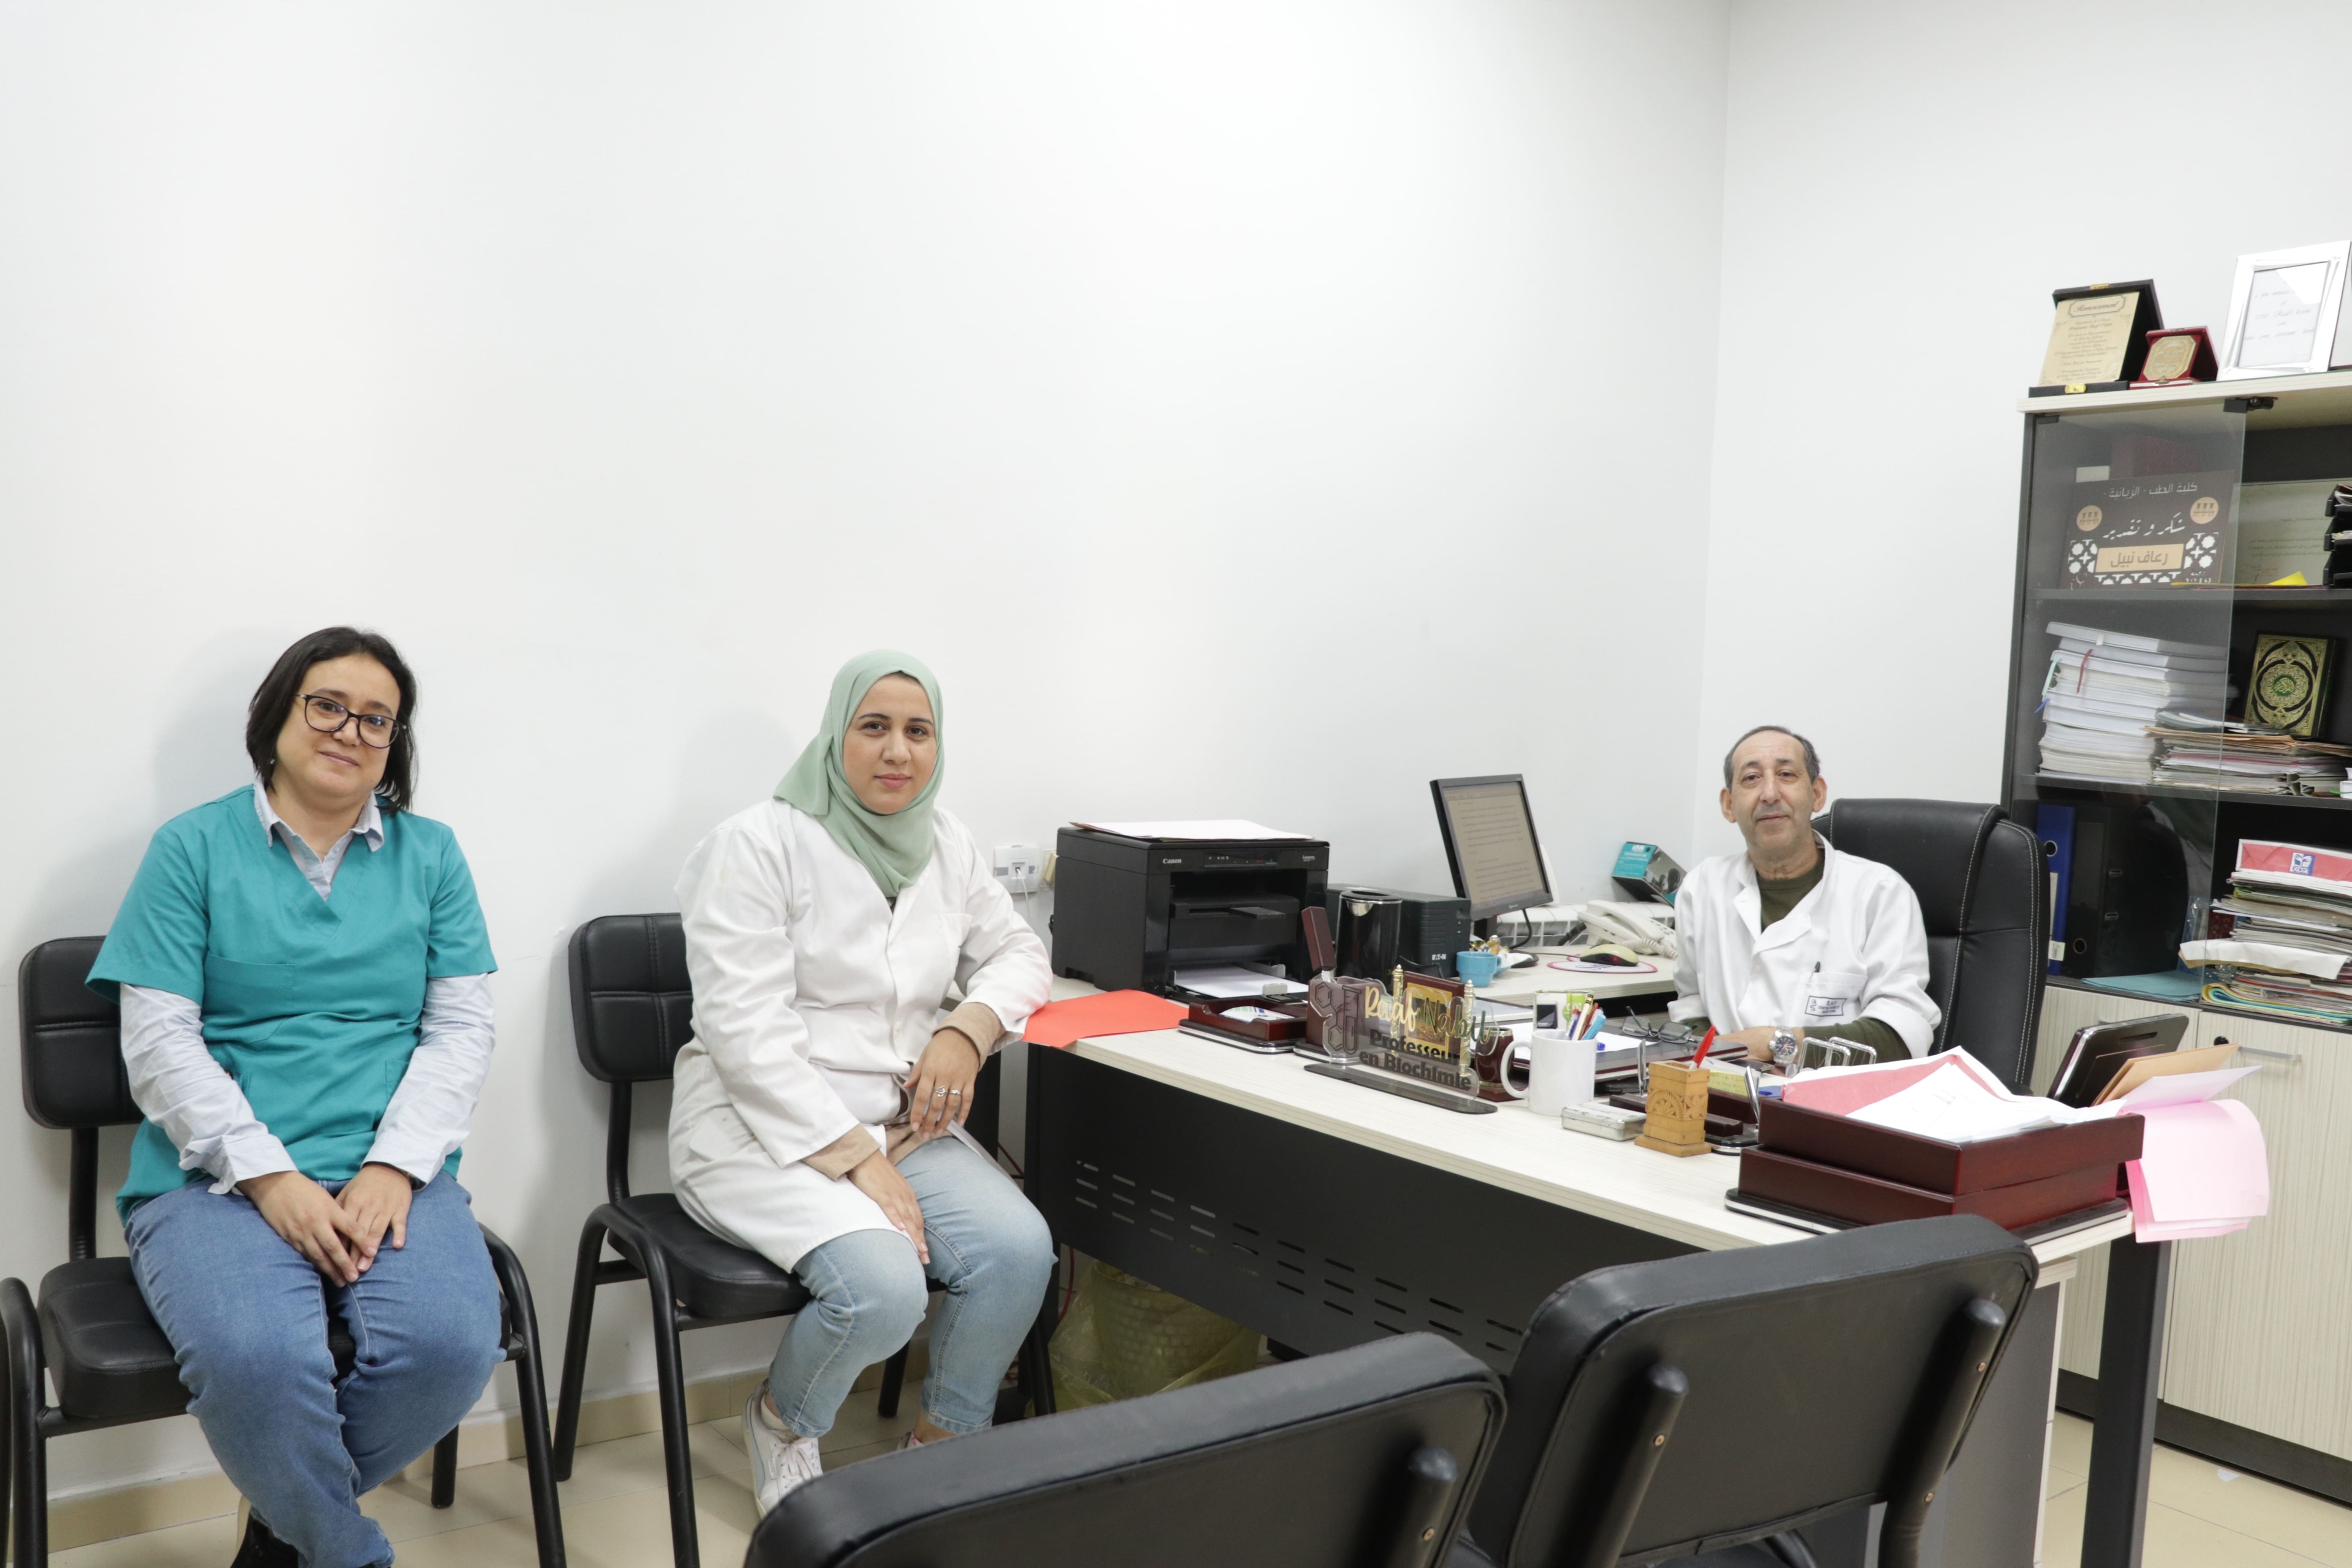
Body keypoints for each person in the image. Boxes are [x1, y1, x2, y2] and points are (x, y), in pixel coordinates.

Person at [88, 627, 505, 1568]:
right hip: (215, 1177)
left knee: (449, 1348)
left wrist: (396, 1166)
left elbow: (461, 1033)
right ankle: (344, 1552)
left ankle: (283, 1538)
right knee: (258, 1361)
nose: (351, 731)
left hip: (389, 1169)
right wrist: (268, 1177)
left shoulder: (432, 856)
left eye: (378, 719)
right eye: (328, 705)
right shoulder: (190, 849)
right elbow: (159, 1045)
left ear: (394, 744)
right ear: (276, 715)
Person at [668, 650, 1055, 1513]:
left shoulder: (947, 844)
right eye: (873, 727)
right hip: (757, 1129)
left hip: (898, 1121)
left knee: (1018, 1252)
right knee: (882, 1291)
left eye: (919, 731)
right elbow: (744, 1032)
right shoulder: (755, 844)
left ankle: (941, 1453)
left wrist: (965, 1029)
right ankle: (781, 1422)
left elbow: (1022, 954)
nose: (897, 751)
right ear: (835, 736)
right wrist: (857, 1158)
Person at [1670, 725, 1938, 1070]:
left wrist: (1773, 1044)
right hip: (1728, 1088)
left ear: (1817, 793)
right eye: (1751, 778)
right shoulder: (1702, 887)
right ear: (1728, 805)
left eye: (1786, 774)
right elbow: (1691, 1008)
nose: (1769, 794)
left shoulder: (1880, 892)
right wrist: (1724, 1065)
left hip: (1835, 1092)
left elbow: (1898, 1036)